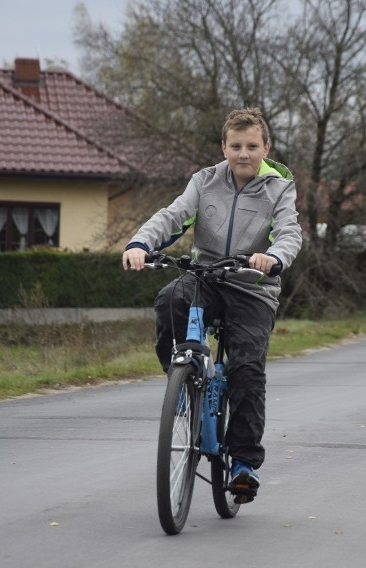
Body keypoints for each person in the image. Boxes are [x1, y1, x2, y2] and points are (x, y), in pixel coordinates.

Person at [122, 107, 302, 502]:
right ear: (224, 147)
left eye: (252, 146)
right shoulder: (204, 181)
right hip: (206, 277)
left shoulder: (280, 187)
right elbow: (173, 216)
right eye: (235, 146)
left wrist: (273, 258)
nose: (243, 154)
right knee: (171, 298)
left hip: (253, 287)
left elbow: (289, 232)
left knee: (247, 370)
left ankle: (242, 463)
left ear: (265, 148)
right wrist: (140, 243)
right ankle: (182, 381)